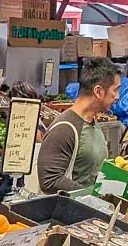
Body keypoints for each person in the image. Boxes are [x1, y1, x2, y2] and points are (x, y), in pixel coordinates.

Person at [32, 57, 121, 193]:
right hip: (70, 211)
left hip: (90, 211)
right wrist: (91, 196)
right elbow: (50, 181)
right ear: (98, 92)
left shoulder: (92, 123)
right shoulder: (64, 128)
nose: (117, 96)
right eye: (115, 90)